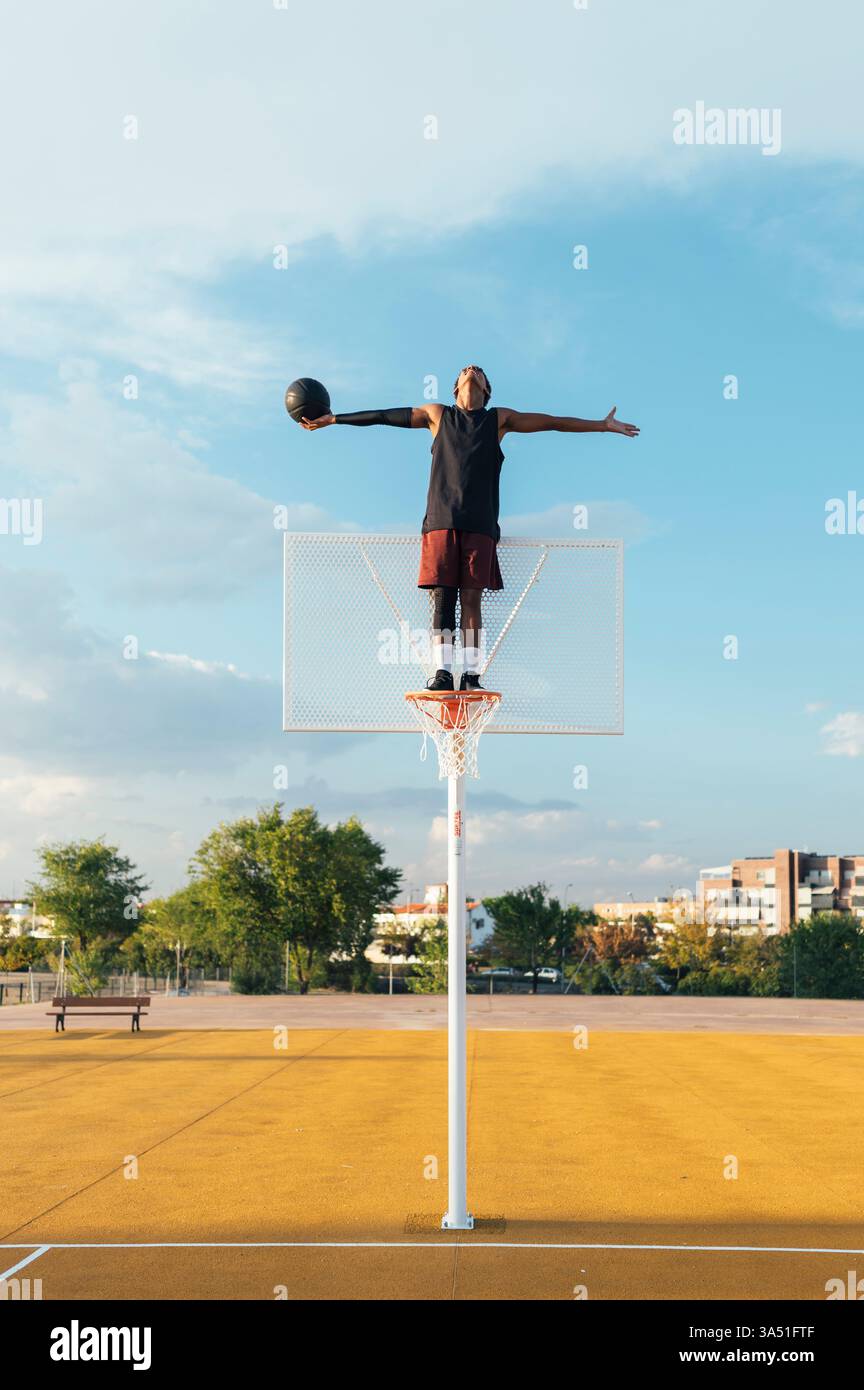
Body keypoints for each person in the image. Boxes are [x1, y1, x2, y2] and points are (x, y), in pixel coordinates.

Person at [301, 365, 639, 691]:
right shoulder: (436, 414)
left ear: (486, 389)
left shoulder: (499, 419)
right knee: (443, 599)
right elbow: (384, 417)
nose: (471, 369)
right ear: (455, 387)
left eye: (478, 369)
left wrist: (601, 425)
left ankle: (472, 673)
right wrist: (335, 419)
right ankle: (442, 672)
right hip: (440, 521)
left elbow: (554, 423)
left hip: (480, 523)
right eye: (465, 369)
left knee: (472, 599)